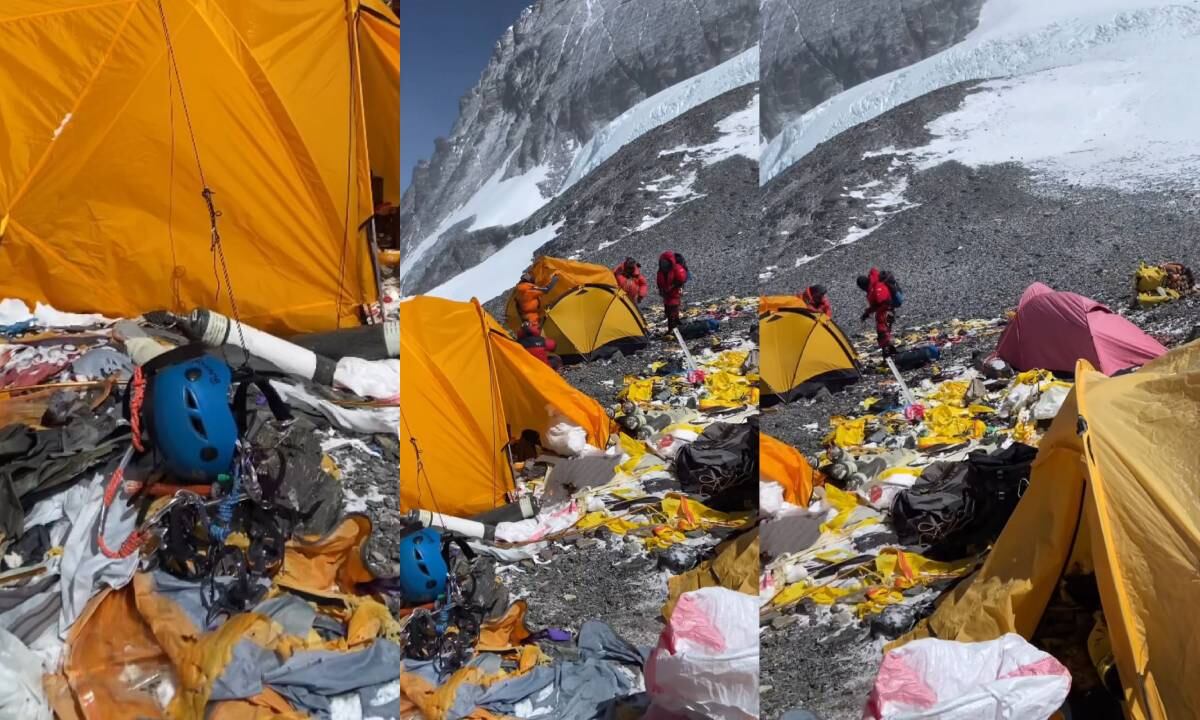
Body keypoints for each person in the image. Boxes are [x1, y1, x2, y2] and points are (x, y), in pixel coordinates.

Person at [857, 268, 897, 357]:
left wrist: (872, 311)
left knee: (882, 332)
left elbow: (882, 302)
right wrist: (867, 313)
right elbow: (876, 305)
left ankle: (888, 353)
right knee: (885, 332)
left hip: (885, 313)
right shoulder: (873, 285)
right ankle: (889, 352)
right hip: (888, 312)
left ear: (862, 285)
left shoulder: (875, 288)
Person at [656, 251, 689, 334]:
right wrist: (661, 290)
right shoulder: (661, 271)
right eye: (662, 263)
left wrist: (673, 286)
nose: (663, 264)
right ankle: (676, 325)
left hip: (674, 293)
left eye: (665, 263)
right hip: (666, 294)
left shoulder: (676, 269)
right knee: (668, 310)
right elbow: (659, 282)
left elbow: (681, 280)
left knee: (672, 310)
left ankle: (673, 329)